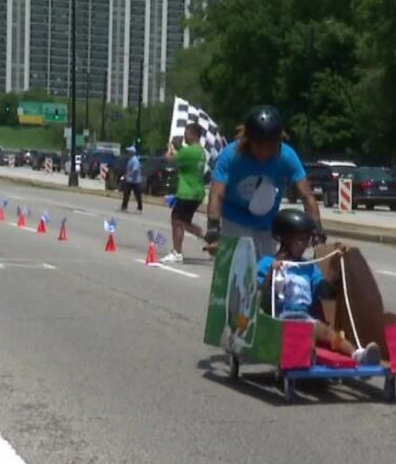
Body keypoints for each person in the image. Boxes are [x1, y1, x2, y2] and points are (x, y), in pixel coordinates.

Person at [258, 208, 382, 366]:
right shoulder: (268, 263)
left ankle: (358, 355)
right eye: (299, 240)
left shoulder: (308, 267)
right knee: (305, 333)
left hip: (304, 317)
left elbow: (326, 292)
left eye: (306, 240)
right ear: (284, 239)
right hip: (281, 318)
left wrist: (337, 267)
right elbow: (261, 298)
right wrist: (271, 274)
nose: (303, 245)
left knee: (328, 332)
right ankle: (305, 357)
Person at [205, 105, 324, 257]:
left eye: (271, 146)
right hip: (234, 220)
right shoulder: (231, 156)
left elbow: (306, 195)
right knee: (232, 271)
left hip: (267, 224)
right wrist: (213, 228)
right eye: (260, 146)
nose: (265, 152)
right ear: (248, 141)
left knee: (265, 272)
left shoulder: (287, 156)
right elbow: (217, 194)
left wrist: (316, 228)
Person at [161, 122, 207, 263]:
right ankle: (200, 235)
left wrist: (170, 148)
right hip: (197, 191)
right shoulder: (200, 152)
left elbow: (170, 159)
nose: (184, 136)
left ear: (192, 134)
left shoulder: (189, 151)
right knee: (182, 220)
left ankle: (178, 251)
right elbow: (183, 158)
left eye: (186, 133)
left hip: (187, 191)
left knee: (177, 220)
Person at [120, 146, 144, 213]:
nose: (128, 152)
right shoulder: (130, 159)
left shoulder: (134, 160)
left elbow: (135, 169)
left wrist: (128, 174)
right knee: (126, 194)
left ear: (132, 152)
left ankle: (140, 208)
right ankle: (124, 207)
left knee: (137, 195)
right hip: (129, 180)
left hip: (135, 181)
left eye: (129, 151)